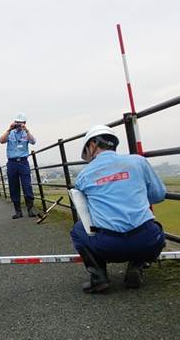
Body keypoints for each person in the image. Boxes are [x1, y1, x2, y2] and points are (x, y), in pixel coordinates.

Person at [69, 125, 166, 293]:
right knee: (156, 229)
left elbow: (85, 212)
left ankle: (98, 278)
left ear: (93, 144)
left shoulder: (84, 175)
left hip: (108, 246)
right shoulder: (138, 161)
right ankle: (137, 265)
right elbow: (158, 195)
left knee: (78, 230)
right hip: (146, 241)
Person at [0, 112, 37, 219]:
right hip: (12, 163)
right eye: (17, 122)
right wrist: (9, 129)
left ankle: (30, 209)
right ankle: (18, 211)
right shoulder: (10, 133)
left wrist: (27, 130)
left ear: (24, 123)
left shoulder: (26, 134)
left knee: (27, 185)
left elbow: (33, 141)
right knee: (13, 186)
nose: (18, 125)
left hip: (23, 162)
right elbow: (1, 140)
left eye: (20, 123)